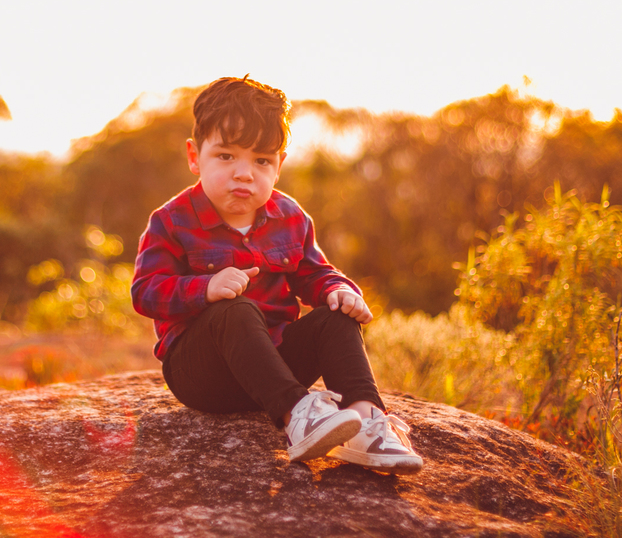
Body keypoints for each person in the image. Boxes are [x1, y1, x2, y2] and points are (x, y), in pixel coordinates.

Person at [131, 76, 422, 474]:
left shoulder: (290, 217)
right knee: (236, 308)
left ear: (279, 165)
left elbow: (315, 272)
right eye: (226, 156)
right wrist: (206, 288)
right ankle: (298, 416)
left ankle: (366, 422)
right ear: (194, 156)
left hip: (276, 364)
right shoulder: (171, 221)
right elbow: (145, 291)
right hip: (203, 374)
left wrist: (339, 289)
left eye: (261, 161)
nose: (244, 174)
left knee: (335, 318)